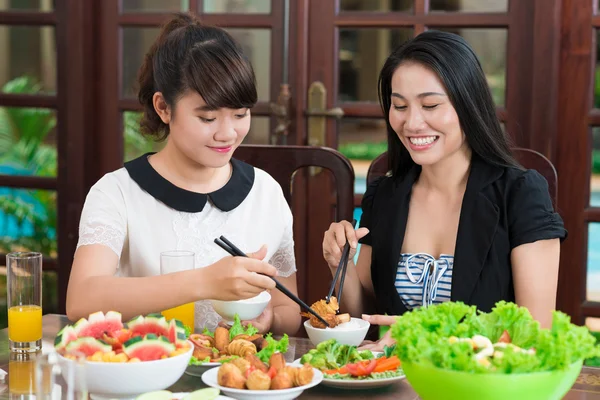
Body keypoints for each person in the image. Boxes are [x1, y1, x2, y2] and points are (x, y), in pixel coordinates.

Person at [322, 30, 567, 350]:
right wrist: (339, 265)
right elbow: (365, 314)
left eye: (431, 105)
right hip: (396, 383)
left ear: (469, 104)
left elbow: (533, 337)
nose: (412, 123)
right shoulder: (385, 196)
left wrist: (430, 333)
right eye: (400, 106)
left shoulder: (520, 195)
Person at [66, 12, 301, 336]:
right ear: (163, 107)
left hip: (238, 381)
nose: (228, 133)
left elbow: (290, 309)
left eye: (240, 114)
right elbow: (81, 300)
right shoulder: (116, 193)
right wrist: (205, 281)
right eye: (207, 118)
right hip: (144, 379)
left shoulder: (266, 193)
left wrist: (269, 319)